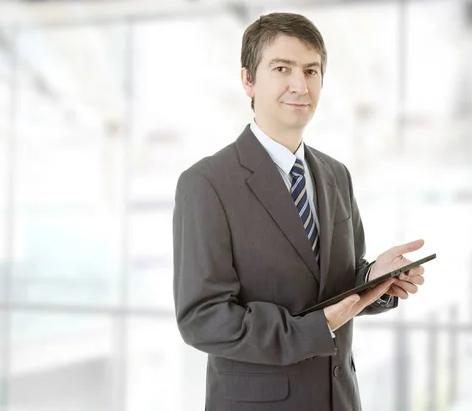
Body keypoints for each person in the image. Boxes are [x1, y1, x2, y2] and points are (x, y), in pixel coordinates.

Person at [173, 12, 426, 411]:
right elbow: (203, 318)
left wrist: (375, 279)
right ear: (248, 80)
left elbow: (337, 283)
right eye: (282, 68)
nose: (300, 84)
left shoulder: (335, 175)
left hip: (338, 399)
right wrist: (314, 329)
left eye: (311, 70)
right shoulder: (206, 183)